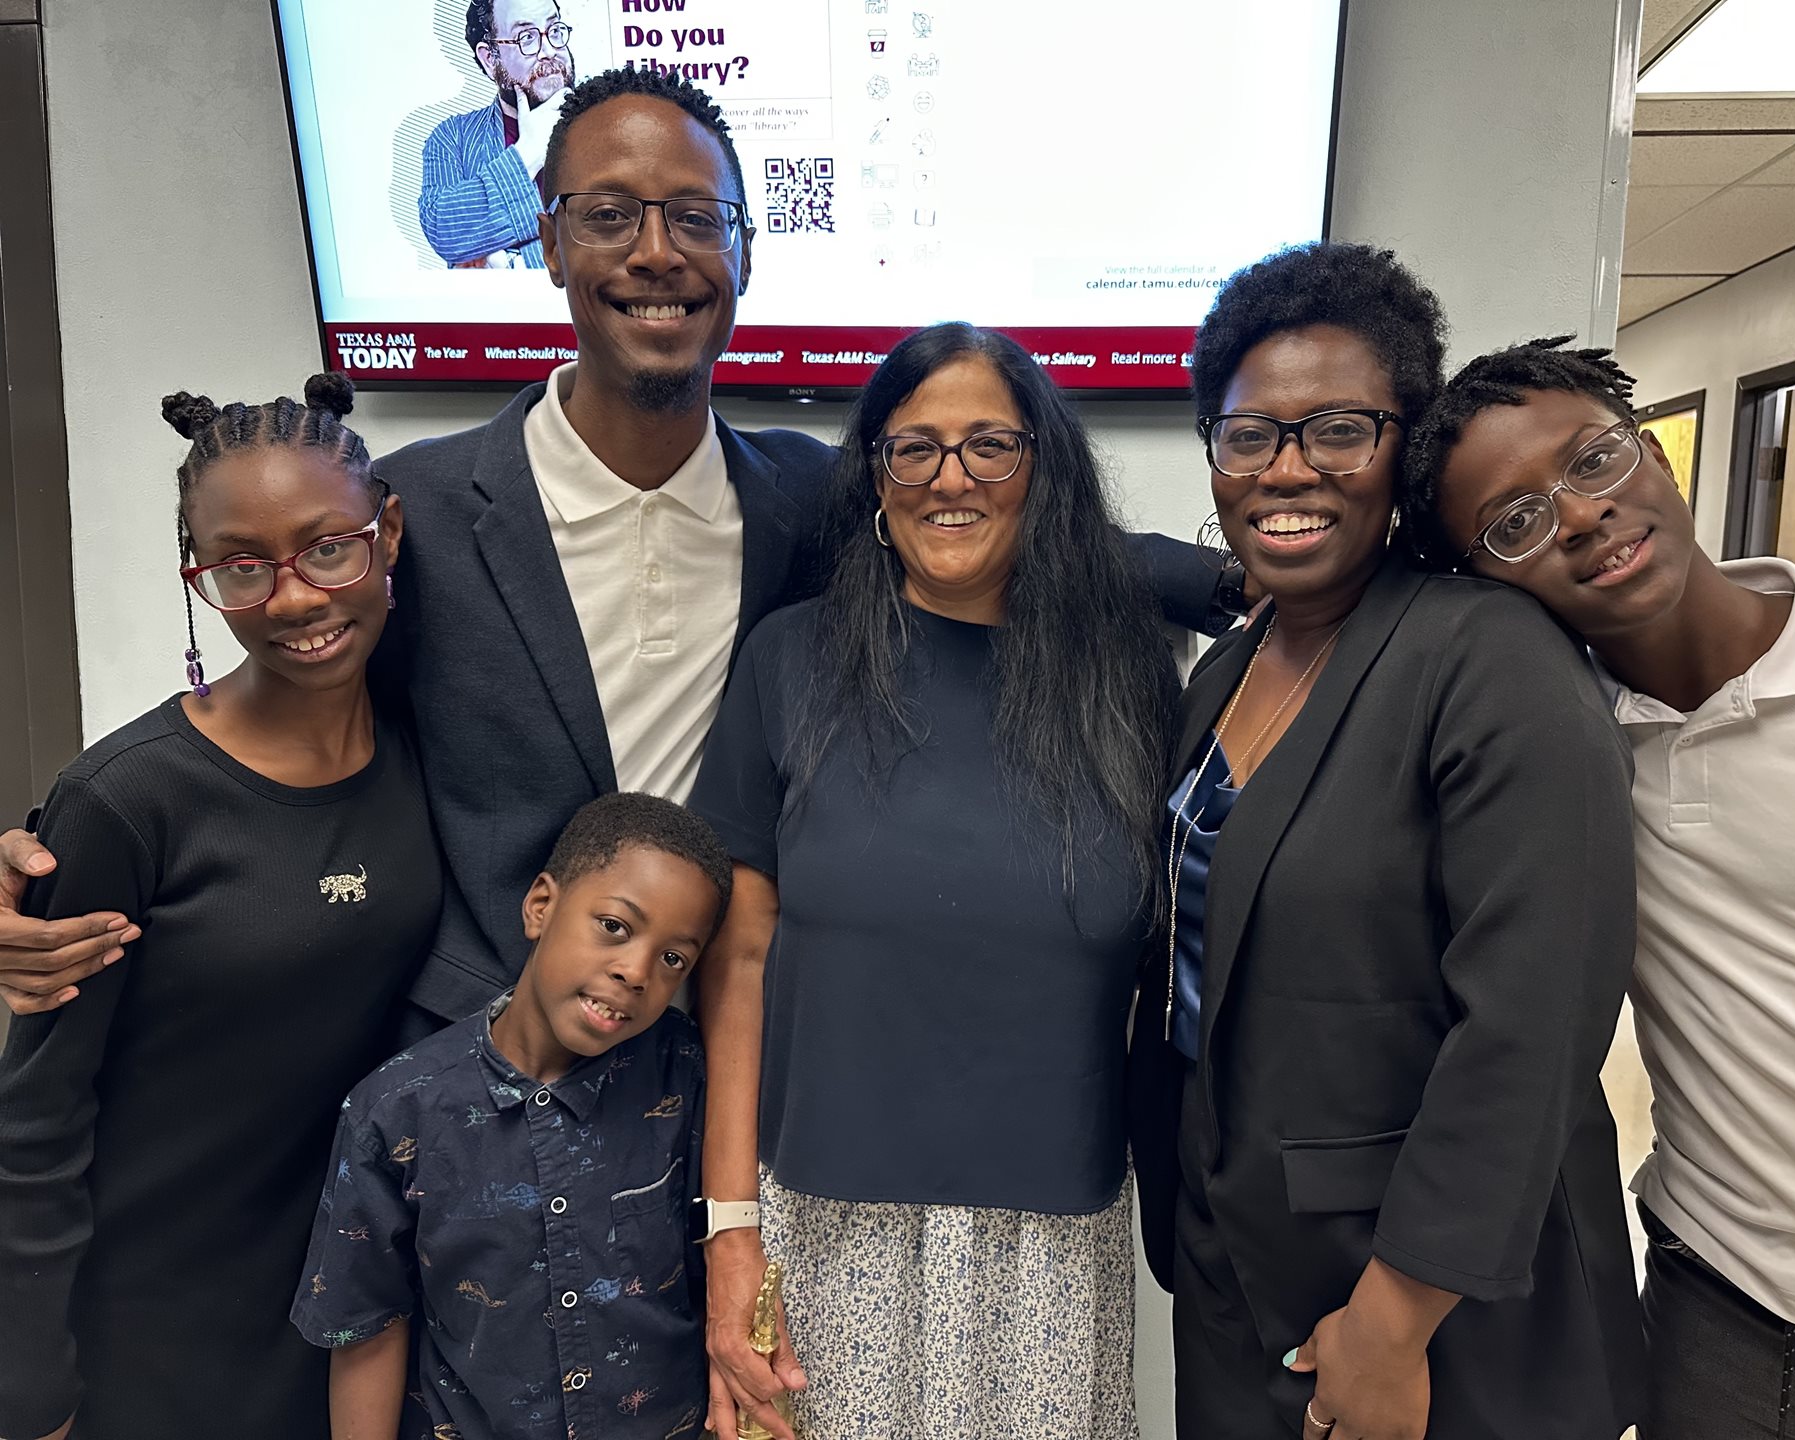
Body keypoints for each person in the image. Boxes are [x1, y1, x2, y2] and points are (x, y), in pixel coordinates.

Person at [0, 66, 1234, 1028]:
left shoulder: (808, 499)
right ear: (547, 243)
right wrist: (65, 840)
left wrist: (1250, 583)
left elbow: (1017, 527)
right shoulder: (419, 510)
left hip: (735, 1049)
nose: (657, 251)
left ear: (745, 249)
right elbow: (282, 691)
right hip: (483, 1060)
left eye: (696, 216)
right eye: (610, 216)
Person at [1126, 245, 1647, 1440]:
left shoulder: (1490, 659)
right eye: (1249, 434)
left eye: (1339, 431)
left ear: (1404, 448)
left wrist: (1396, 1317)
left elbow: (1535, 1019)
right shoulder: (1229, 670)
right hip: (1238, 1256)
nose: (1287, 469)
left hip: (1431, 1300)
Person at [1405, 337, 1795, 1439]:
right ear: (1485, 587)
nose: (1579, 514)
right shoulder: (1556, 754)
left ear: (1657, 458)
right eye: (1515, 522)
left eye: (1592, 463)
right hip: (1711, 1318)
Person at [688, 321, 1178, 1440]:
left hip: (1053, 1244)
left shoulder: (1134, 678)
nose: (948, 478)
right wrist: (729, 1232)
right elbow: (741, 962)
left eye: (989, 446)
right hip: (825, 1231)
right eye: (914, 448)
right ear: (875, 476)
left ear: (1041, 471)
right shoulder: (791, 661)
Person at [0, 377, 441, 1440]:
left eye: (327, 547)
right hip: (150, 1339)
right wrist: (32, 1398)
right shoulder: (126, 801)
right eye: (241, 567)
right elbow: (37, 1125)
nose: (292, 598)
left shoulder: (430, 747)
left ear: (386, 532)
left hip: (349, 1318)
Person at [294, 792, 728, 1440]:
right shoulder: (396, 1110)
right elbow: (366, 1323)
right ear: (541, 906)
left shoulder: (689, 1077)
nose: (635, 971)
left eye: (673, 959)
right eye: (614, 925)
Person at [420, 1, 577, 268]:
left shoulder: (607, 123)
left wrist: (488, 238)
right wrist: (528, 153)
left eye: (553, 30)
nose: (549, 50)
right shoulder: (452, 139)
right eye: (526, 37)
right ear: (490, 59)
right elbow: (445, 232)